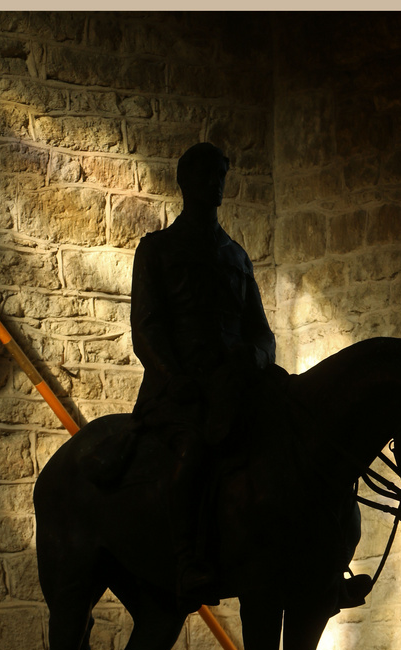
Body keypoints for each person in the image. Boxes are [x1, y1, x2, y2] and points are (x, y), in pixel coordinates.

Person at [130, 142, 275, 601]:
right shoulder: (158, 249)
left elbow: (262, 333)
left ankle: (305, 559)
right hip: (182, 391)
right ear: (186, 183)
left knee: (292, 437)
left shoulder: (236, 257)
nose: (215, 184)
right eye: (207, 175)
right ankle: (185, 558)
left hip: (236, 384)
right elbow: (147, 327)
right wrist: (175, 378)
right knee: (193, 448)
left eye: (220, 176)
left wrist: (253, 358)